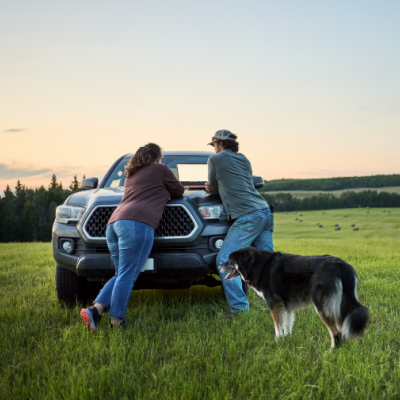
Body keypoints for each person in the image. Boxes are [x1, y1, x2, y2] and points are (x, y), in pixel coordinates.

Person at [80, 143, 184, 331]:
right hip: (137, 224)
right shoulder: (161, 170)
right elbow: (179, 191)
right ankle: (117, 322)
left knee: (121, 273)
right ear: (157, 157)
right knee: (127, 275)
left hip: (113, 224)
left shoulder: (131, 174)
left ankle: (95, 311)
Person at [205, 130, 274, 315]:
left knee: (225, 259)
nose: (215, 149)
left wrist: (211, 188)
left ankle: (239, 308)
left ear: (219, 144)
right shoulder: (244, 159)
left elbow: (212, 188)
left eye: (215, 145)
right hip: (265, 211)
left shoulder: (214, 159)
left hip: (247, 216)